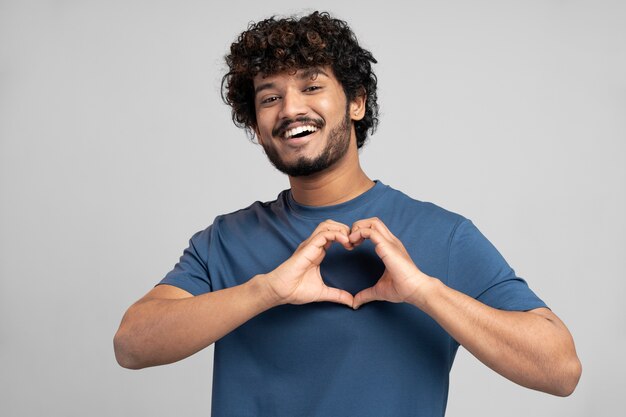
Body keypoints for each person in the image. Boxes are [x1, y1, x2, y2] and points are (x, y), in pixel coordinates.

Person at [114, 11, 581, 417]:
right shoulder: (226, 240)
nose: (290, 109)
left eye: (311, 86)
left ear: (356, 102)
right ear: (257, 127)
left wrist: (424, 291)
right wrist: (265, 291)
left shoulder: (444, 235)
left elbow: (560, 370)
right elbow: (131, 345)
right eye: (269, 97)